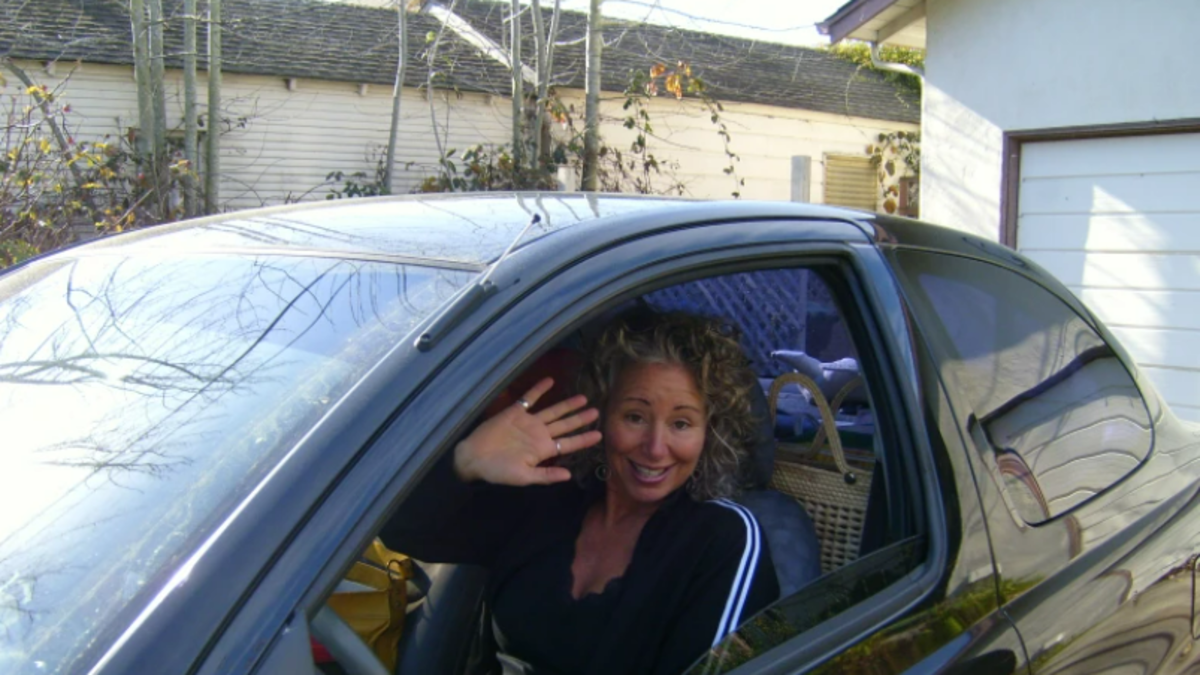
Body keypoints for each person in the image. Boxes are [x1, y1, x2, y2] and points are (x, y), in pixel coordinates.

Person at [381, 311, 779, 675]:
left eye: (681, 424)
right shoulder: (549, 498)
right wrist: (464, 461)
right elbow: (403, 532)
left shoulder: (723, 539)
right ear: (602, 415)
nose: (656, 448)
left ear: (709, 433)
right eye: (635, 417)